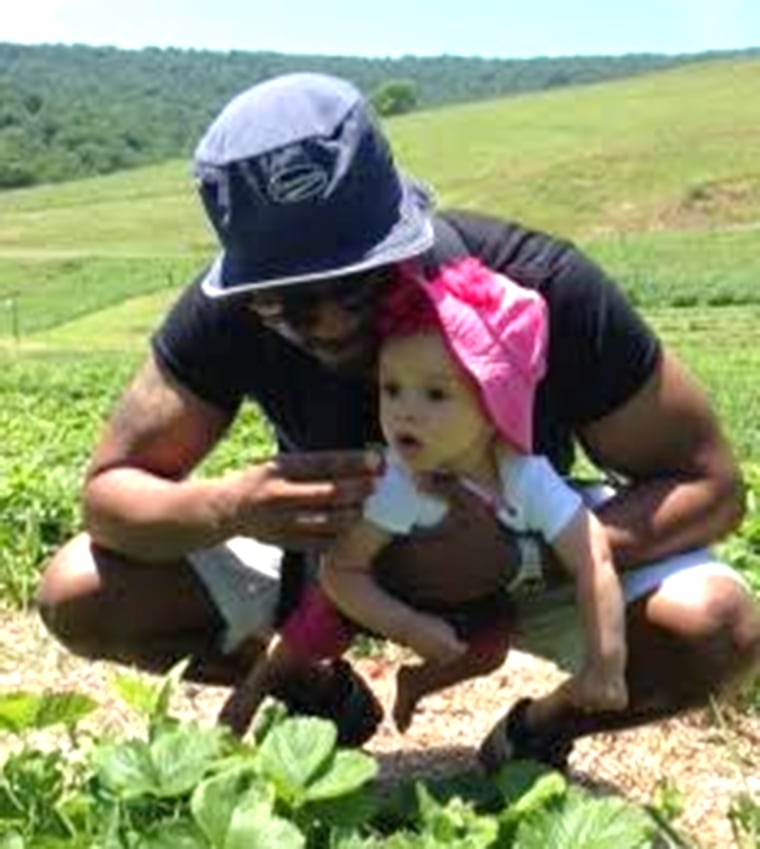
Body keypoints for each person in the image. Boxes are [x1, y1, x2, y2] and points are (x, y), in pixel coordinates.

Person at [36, 72, 760, 767]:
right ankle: (317, 694)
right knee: (81, 591)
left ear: (406, 232)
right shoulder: (225, 310)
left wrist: (526, 554)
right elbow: (110, 493)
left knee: (716, 626)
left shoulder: (531, 287)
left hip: (524, 542)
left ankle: (541, 730)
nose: (318, 321)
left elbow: (713, 485)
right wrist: (231, 506)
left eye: (353, 284)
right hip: (332, 561)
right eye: (280, 300)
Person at [219, 258, 628, 738]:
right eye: (392, 389)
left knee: (486, 650)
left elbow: (593, 555)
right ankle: (256, 687)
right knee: (312, 629)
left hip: (473, 598)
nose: (404, 413)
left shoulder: (524, 478)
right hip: (376, 589)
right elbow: (341, 573)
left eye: (436, 395)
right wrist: (408, 626)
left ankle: (416, 682)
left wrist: (606, 660)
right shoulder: (396, 481)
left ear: (496, 402)